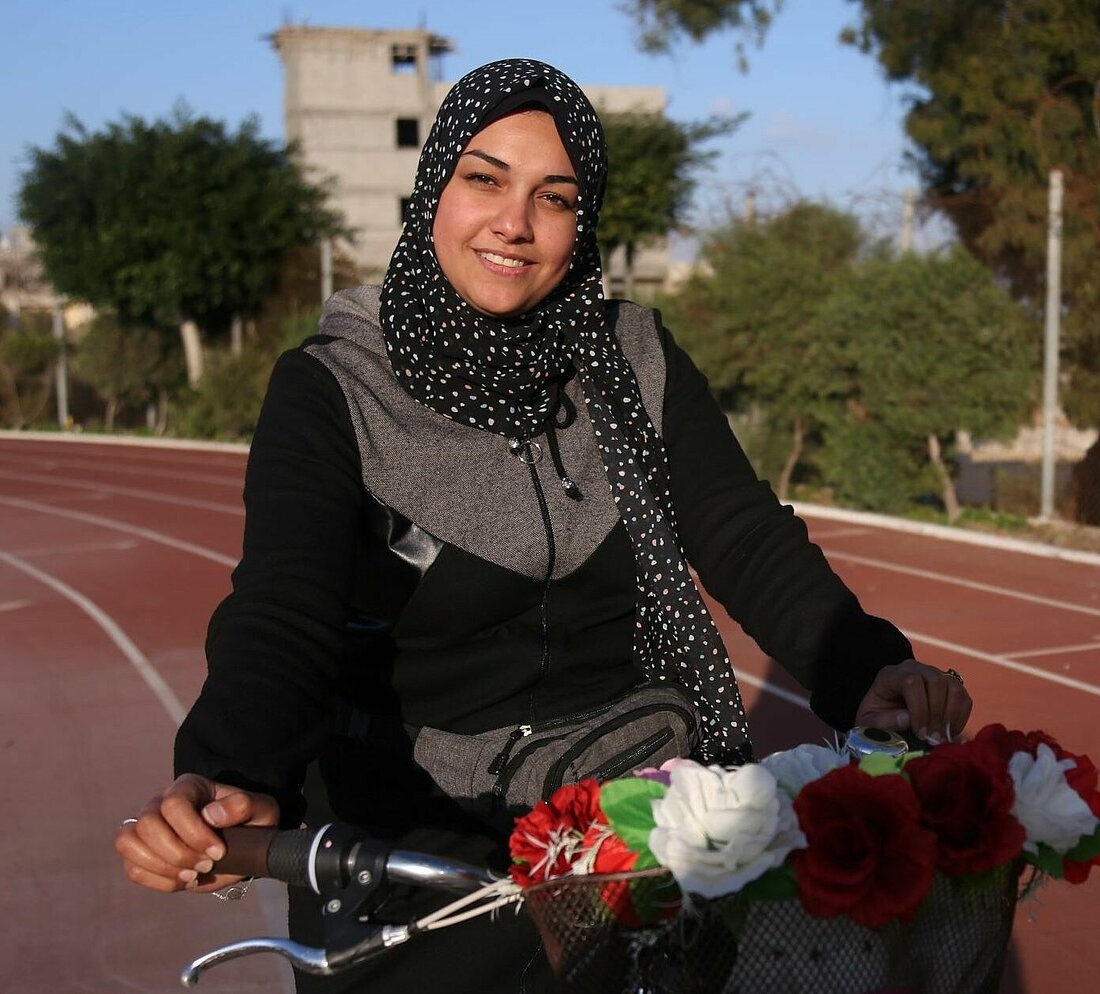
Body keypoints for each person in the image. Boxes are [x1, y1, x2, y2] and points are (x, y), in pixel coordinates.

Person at [113, 58, 970, 993]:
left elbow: (742, 531)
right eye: (483, 179)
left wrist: (868, 670)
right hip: (414, 824)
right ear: (433, 188)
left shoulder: (632, 355)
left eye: (554, 198)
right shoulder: (332, 386)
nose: (513, 224)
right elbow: (285, 604)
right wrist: (226, 773)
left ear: (582, 223)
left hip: (630, 799)